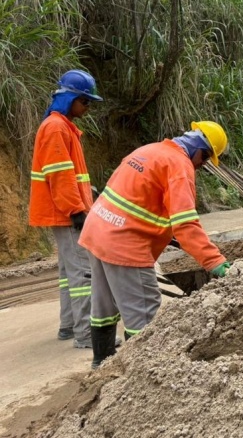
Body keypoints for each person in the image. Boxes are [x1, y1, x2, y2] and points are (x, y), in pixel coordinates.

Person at [79, 121, 231, 369]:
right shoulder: (179, 166)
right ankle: (142, 375)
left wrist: (162, 231)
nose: (201, 166)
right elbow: (185, 224)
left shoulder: (149, 151)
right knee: (143, 310)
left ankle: (101, 365)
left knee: (103, 303)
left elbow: (140, 200)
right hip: (125, 243)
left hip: (97, 230)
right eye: (204, 160)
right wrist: (215, 262)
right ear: (199, 150)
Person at [29, 70, 104, 349]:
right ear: (69, 98)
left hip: (63, 211)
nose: (87, 107)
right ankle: (87, 335)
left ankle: (69, 325)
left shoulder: (61, 127)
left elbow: (70, 174)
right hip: (67, 213)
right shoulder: (56, 128)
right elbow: (60, 174)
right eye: (85, 101)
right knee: (83, 273)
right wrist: (76, 211)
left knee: (68, 273)